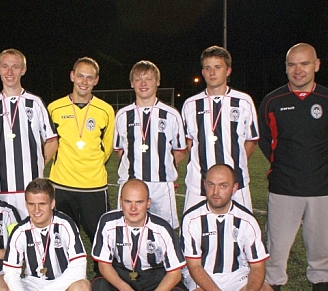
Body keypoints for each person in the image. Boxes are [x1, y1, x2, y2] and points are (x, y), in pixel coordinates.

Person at [258, 43, 328, 291]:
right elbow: (266, 142)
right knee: (276, 248)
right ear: (286, 67)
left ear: (316, 65)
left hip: (323, 189)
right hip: (284, 188)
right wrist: (285, 166)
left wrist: (321, 168)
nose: (298, 70)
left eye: (304, 63)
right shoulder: (272, 101)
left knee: (322, 249)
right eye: (292, 64)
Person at [181, 164, 277, 291]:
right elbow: (194, 266)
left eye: (223, 186)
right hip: (203, 272)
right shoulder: (191, 219)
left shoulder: (247, 220)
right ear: (204, 185)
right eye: (211, 185)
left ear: (234, 188)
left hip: (236, 274)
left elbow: (257, 266)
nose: (215, 192)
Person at [0, 179, 93, 291]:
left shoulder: (65, 224)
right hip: (35, 282)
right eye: (31, 204)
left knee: (83, 290)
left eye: (42, 204)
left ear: (52, 203)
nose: (36, 210)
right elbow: (10, 273)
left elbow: (79, 268)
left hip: (64, 283)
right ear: (26, 204)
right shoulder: (20, 231)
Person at [91, 179, 190, 291]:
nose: (133, 208)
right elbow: (103, 264)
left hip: (153, 273)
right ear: (120, 201)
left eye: (139, 202)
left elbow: (175, 273)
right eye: (128, 202)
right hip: (122, 271)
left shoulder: (162, 228)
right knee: (98, 289)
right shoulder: (108, 222)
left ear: (148, 203)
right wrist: (126, 290)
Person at [47, 57, 114, 273]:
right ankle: (64, 279)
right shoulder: (54, 108)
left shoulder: (105, 110)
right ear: (72, 76)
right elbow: (50, 143)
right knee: (62, 237)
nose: (84, 82)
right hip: (61, 185)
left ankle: (102, 280)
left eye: (89, 77)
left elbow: (107, 147)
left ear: (96, 80)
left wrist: (90, 165)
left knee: (100, 238)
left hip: (94, 186)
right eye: (80, 76)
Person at [181, 46, 259, 211]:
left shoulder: (243, 101)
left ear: (228, 70)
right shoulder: (190, 104)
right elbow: (189, 142)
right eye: (207, 68)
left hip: (236, 184)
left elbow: (251, 140)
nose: (212, 72)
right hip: (198, 184)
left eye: (217, 67)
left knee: (240, 227)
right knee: (194, 226)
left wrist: (234, 164)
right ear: (203, 72)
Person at [0, 49, 57, 218]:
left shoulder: (35, 103)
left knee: (32, 230)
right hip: (2, 187)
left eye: (15, 67)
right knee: (6, 231)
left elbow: (52, 141)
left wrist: (38, 162)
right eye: (5, 66)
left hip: (31, 187)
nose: (9, 72)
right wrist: (2, 162)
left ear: (23, 70)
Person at [113, 61, 186, 229]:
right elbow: (120, 150)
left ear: (158, 82)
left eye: (148, 79)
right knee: (128, 231)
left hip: (161, 186)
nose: (143, 83)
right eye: (138, 79)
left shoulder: (171, 115)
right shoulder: (122, 115)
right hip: (130, 184)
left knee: (164, 231)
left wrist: (163, 166)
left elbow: (180, 150)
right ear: (132, 83)